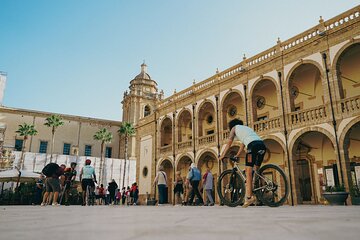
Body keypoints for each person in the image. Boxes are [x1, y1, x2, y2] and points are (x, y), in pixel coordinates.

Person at [219, 118, 266, 208]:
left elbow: (229, 143)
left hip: (252, 146)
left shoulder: (234, 128)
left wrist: (222, 155)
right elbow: (242, 145)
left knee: (248, 172)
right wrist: (237, 154)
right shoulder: (246, 129)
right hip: (262, 145)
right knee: (256, 171)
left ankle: (249, 197)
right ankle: (260, 189)